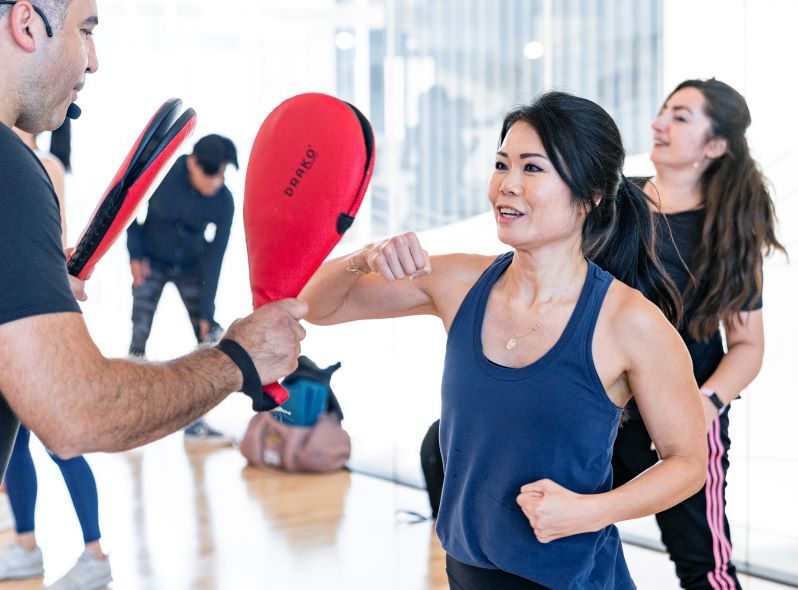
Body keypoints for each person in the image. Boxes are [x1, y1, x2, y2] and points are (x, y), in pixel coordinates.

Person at [0, 2, 305, 588]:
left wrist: (12, 284)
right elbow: (77, 413)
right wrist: (237, 360)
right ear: (28, 23)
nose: (94, 61)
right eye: (86, 31)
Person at [300, 91, 707, 589]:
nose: (507, 185)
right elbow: (315, 306)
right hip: (466, 572)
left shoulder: (629, 322)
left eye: (532, 168)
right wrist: (364, 257)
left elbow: (689, 463)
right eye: (501, 164)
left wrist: (591, 511)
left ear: (592, 194)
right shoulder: (458, 283)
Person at [611, 79, 785, 590]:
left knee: (706, 570)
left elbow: (748, 346)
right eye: (664, 110)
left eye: (681, 116)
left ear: (714, 146)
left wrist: (704, 406)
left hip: (683, 417)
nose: (658, 123)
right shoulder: (614, 203)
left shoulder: (729, 230)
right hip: (603, 409)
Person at [0, 127, 112, 590]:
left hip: (43, 319)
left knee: (62, 442)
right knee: (14, 445)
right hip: (8, 320)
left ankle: (95, 555)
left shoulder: (44, 166)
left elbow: (47, 244)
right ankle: (25, 546)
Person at [126, 133, 239, 444]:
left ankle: (197, 423)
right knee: (139, 333)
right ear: (192, 163)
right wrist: (135, 255)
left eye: (222, 174)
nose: (216, 182)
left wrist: (207, 312)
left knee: (207, 339)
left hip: (192, 267)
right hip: (152, 260)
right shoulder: (162, 173)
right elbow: (130, 209)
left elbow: (216, 258)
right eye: (211, 174)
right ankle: (130, 411)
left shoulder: (223, 201)